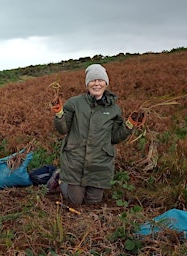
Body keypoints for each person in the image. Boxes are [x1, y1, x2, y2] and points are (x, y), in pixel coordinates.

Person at [51, 64, 144, 205]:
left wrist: (129, 125)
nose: (97, 84)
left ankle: (79, 185)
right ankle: (60, 178)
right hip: (75, 161)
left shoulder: (114, 109)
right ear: (87, 84)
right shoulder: (75, 103)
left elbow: (115, 137)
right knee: (75, 201)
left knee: (93, 203)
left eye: (100, 80)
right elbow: (63, 129)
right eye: (93, 80)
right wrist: (59, 114)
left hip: (99, 164)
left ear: (106, 83)